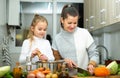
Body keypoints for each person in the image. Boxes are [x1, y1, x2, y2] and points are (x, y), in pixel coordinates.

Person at [52, 4, 99, 75]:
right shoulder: (57, 39)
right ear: (62, 20)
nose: (72, 26)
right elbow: (56, 61)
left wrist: (91, 64)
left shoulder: (84, 33)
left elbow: (94, 54)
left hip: (83, 75)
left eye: (75, 23)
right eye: (69, 23)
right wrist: (63, 62)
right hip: (66, 76)